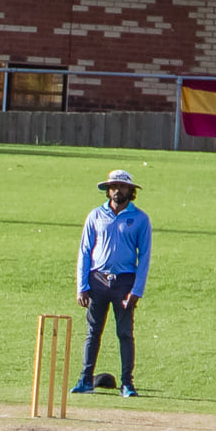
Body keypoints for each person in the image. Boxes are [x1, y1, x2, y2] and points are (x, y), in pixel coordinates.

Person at [72, 169, 151, 398]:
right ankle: (86, 379)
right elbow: (85, 251)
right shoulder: (95, 216)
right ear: (108, 190)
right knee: (92, 332)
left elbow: (144, 256)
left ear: (130, 191)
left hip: (125, 281)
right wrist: (82, 286)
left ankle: (127, 384)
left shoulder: (140, 219)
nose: (117, 191)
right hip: (97, 280)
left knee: (125, 333)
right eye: (113, 187)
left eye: (122, 187)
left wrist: (137, 290)